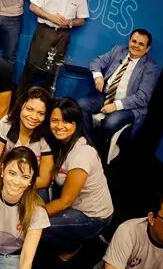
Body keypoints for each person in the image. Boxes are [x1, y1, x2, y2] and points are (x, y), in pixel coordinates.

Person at [43, 98, 113, 260]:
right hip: (75, 205)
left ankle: (74, 243)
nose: (59, 126)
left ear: (76, 124)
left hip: (93, 217)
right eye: (54, 120)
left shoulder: (82, 154)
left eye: (66, 121)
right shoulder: (62, 143)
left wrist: (31, 216)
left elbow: (65, 201)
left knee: (36, 226)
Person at [17, 0, 89, 97]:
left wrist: (70, 22)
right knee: (31, 70)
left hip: (63, 36)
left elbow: (82, 20)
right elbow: (33, 7)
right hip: (44, 32)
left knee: (50, 75)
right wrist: (51, 17)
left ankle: (43, 106)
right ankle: (18, 104)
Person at [78, 29, 158, 149]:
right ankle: (91, 143)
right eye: (134, 41)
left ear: (147, 49)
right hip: (105, 96)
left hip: (129, 106)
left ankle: (98, 148)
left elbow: (143, 97)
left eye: (141, 44)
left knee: (110, 123)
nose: (136, 45)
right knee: (81, 105)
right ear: (129, 41)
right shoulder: (118, 50)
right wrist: (98, 76)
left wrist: (116, 105)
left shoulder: (150, 67)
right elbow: (96, 62)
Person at [0, 86, 54, 189]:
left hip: (32, 185)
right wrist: (7, 182)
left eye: (41, 113)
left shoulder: (47, 135)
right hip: (4, 179)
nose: (34, 117)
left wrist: (17, 186)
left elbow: (44, 180)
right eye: (29, 109)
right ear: (21, 106)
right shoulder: (6, 123)